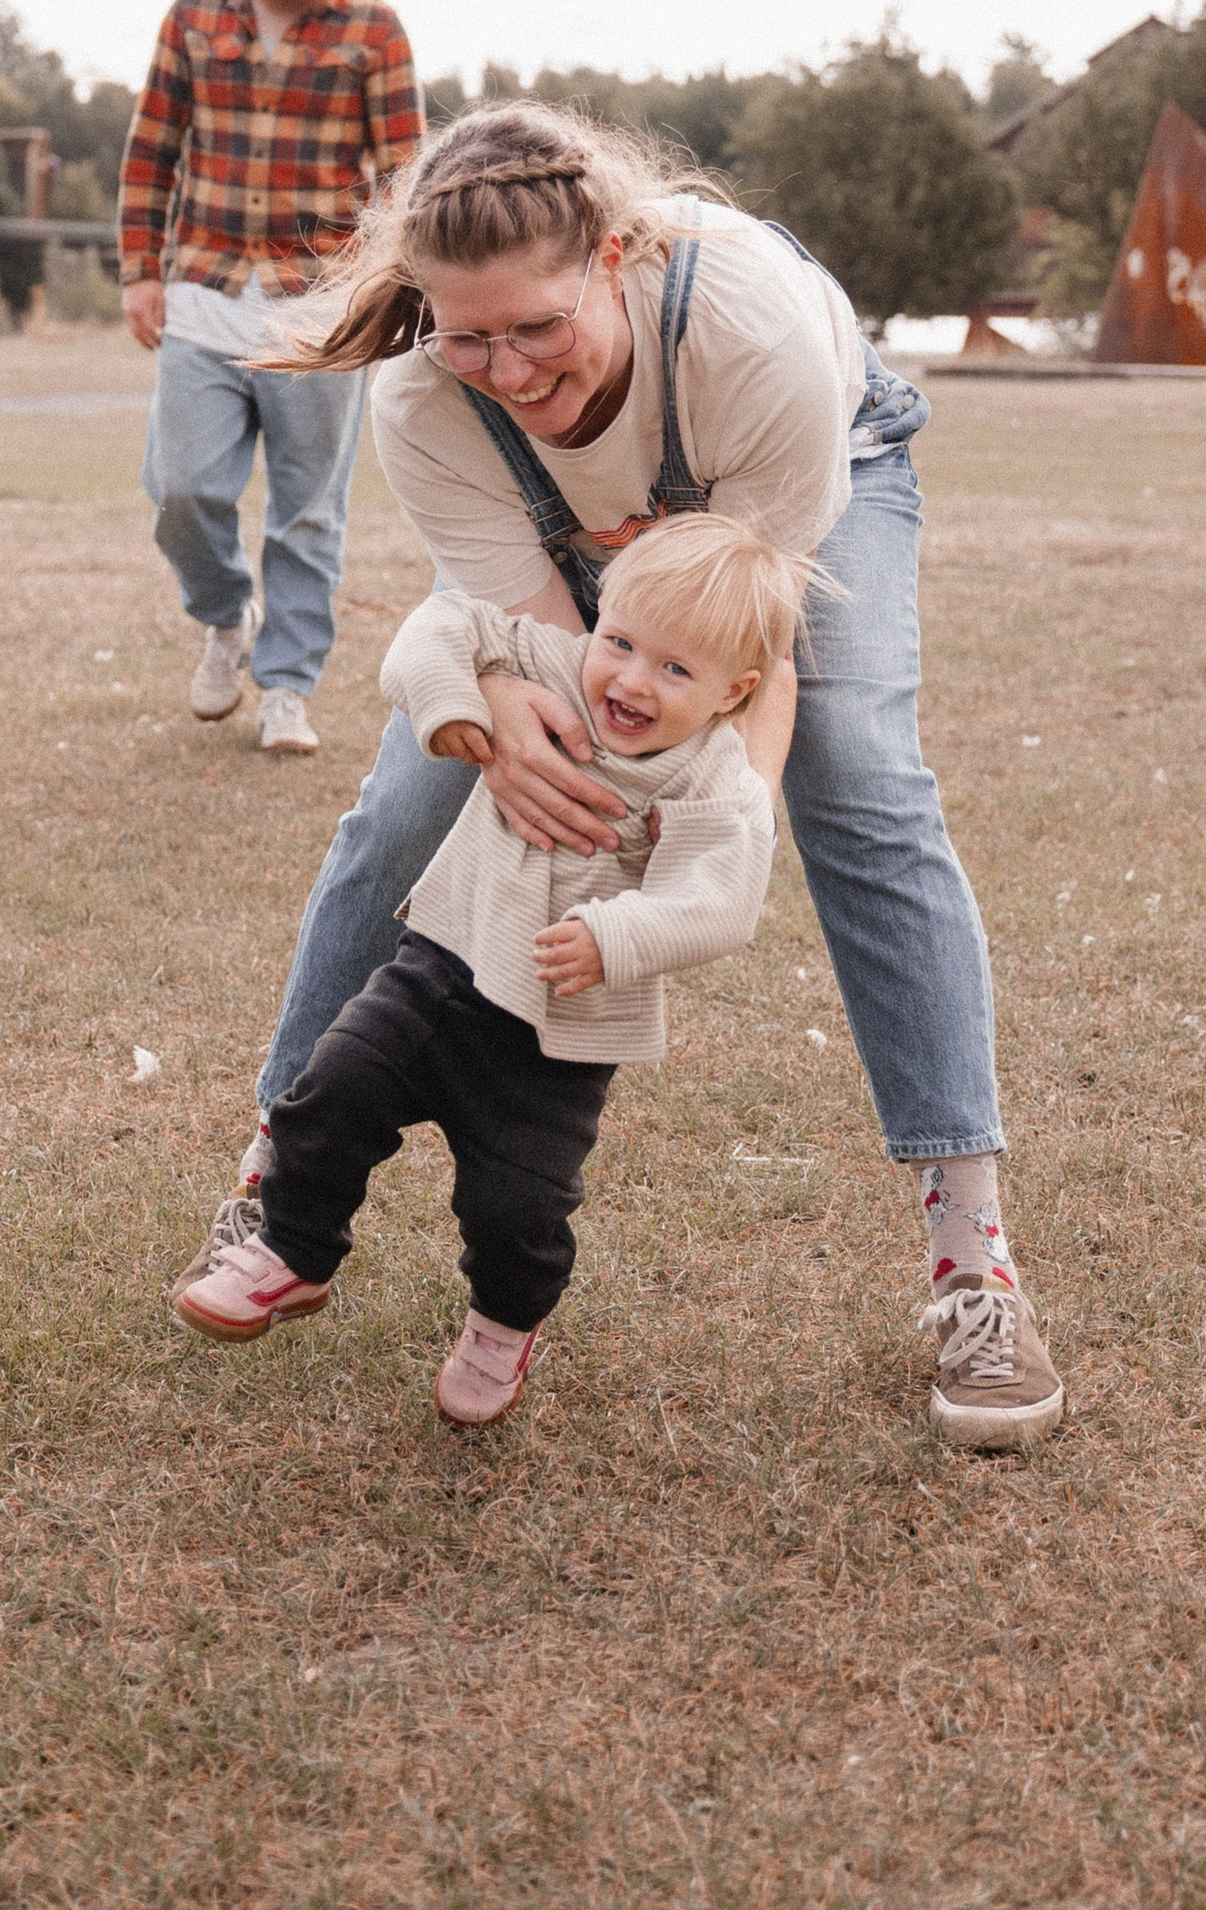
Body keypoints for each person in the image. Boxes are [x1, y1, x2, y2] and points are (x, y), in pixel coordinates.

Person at [179, 99, 1064, 1450]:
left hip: (793, 486)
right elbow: (537, 657)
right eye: (467, 334)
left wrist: (719, 842)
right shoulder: (426, 395)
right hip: (563, 549)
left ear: (610, 256)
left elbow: (752, 672)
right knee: (408, 800)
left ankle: (973, 1268)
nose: (507, 368)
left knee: (862, 785)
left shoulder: (749, 334)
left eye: (538, 327)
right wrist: (497, 724)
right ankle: (275, 1186)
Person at [174, 516, 796, 1428]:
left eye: (674, 669)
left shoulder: (713, 781)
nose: (630, 680)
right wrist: (455, 704)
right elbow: (440, 625)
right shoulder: (551, 665)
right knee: (331, 1091)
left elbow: (722, 898)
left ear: (734, 692)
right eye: (621, 642)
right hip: (437, 971)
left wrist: (615, 936)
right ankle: (293, 1252)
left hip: (557, 1041)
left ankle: (502, 1327)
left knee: (518, 1208)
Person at [118, 0, 424, 754]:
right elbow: (151, 152)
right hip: (204, 287)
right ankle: (226, 617)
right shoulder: (195, 15)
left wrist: (395, 293)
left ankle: (287, 687)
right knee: (182, 489)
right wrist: (140, 270)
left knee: (307, 507)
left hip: (319, 305)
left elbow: (406, 178)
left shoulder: (374, 31)